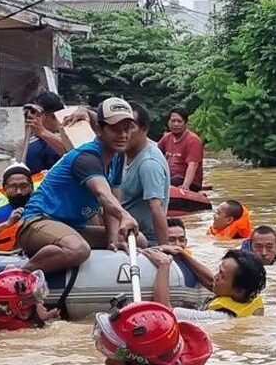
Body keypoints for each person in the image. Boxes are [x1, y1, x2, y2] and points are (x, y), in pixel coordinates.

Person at [17, 98, 141, 274]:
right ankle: (21, 273)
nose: (123, 135)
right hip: (38, 221)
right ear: (99, 129)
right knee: (78, 250)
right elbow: (102, 194)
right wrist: (124, 215)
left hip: (73, 227)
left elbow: (113, 199)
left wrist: (113, 240)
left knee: (138, 240)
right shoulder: (87, 157)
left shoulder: (118, 156)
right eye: (115, 129)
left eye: (127, 129)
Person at [142, 248, 267, 322]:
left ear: (239, 290)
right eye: (219, 271)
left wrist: (163, 266)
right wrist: (182, 254)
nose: (216, 276)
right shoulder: (244, 295)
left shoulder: (218, 317)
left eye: (222, 276)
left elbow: (165, 311)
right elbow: (210, 281)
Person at [113, 102, 170, 247]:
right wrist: (87, 114)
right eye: (119, 128)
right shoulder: (125, 151)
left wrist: (164, 248)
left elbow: (156, 209)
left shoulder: (149, 163)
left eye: (130, 128)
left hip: (142, 239)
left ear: (144, 129)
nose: (124, 133)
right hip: (122, 226)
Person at [0, 268, 61, 335]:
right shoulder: (25, 332)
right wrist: (47, 322)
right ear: (23, 314)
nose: (42, 304)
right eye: (37, 301)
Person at [157, 108, 204, 192]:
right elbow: (154, 153)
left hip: (186, 181)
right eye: (173, 121)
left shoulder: (193, 140)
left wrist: (185, 186)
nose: (176, 124)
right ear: (168, 123)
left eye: (179, 121)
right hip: (170, 178)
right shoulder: (166, 138)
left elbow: (193, 165)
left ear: (185, 123)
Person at [23, 91, 68, 175]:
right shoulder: (26, 142)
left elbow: (73, 153)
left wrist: (42, 132)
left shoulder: (70, 136)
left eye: (38, 113)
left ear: (52, 116)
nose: (33, 117)